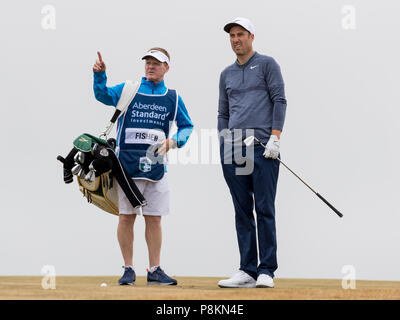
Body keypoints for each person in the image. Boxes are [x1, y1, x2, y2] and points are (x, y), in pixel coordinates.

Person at [92, 48, 193, 285]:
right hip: (126, 167)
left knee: (154, 218)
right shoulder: (129, 89)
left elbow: (187, 126)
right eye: (148, 62)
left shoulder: (174, 97)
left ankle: (155, 269)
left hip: (157, 168)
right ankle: (128, 269)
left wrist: (174, 141)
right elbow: (102, 95)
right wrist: (100, 74)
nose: (151, 66)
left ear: (167, 68)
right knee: (126, 217)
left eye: (156, 63)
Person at [217, 18, 287, 288]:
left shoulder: (267, 64)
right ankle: (247, 270)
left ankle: (266, 269)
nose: (236, 39)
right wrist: (223, 144)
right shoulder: (226, 74)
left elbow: (279, 100)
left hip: (263, 147)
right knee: (242, 210)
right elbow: (223, 113)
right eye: (232, 36)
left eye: (240, 34)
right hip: (233, 147)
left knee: (264, 208)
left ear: (251, 36)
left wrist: (275, 138)